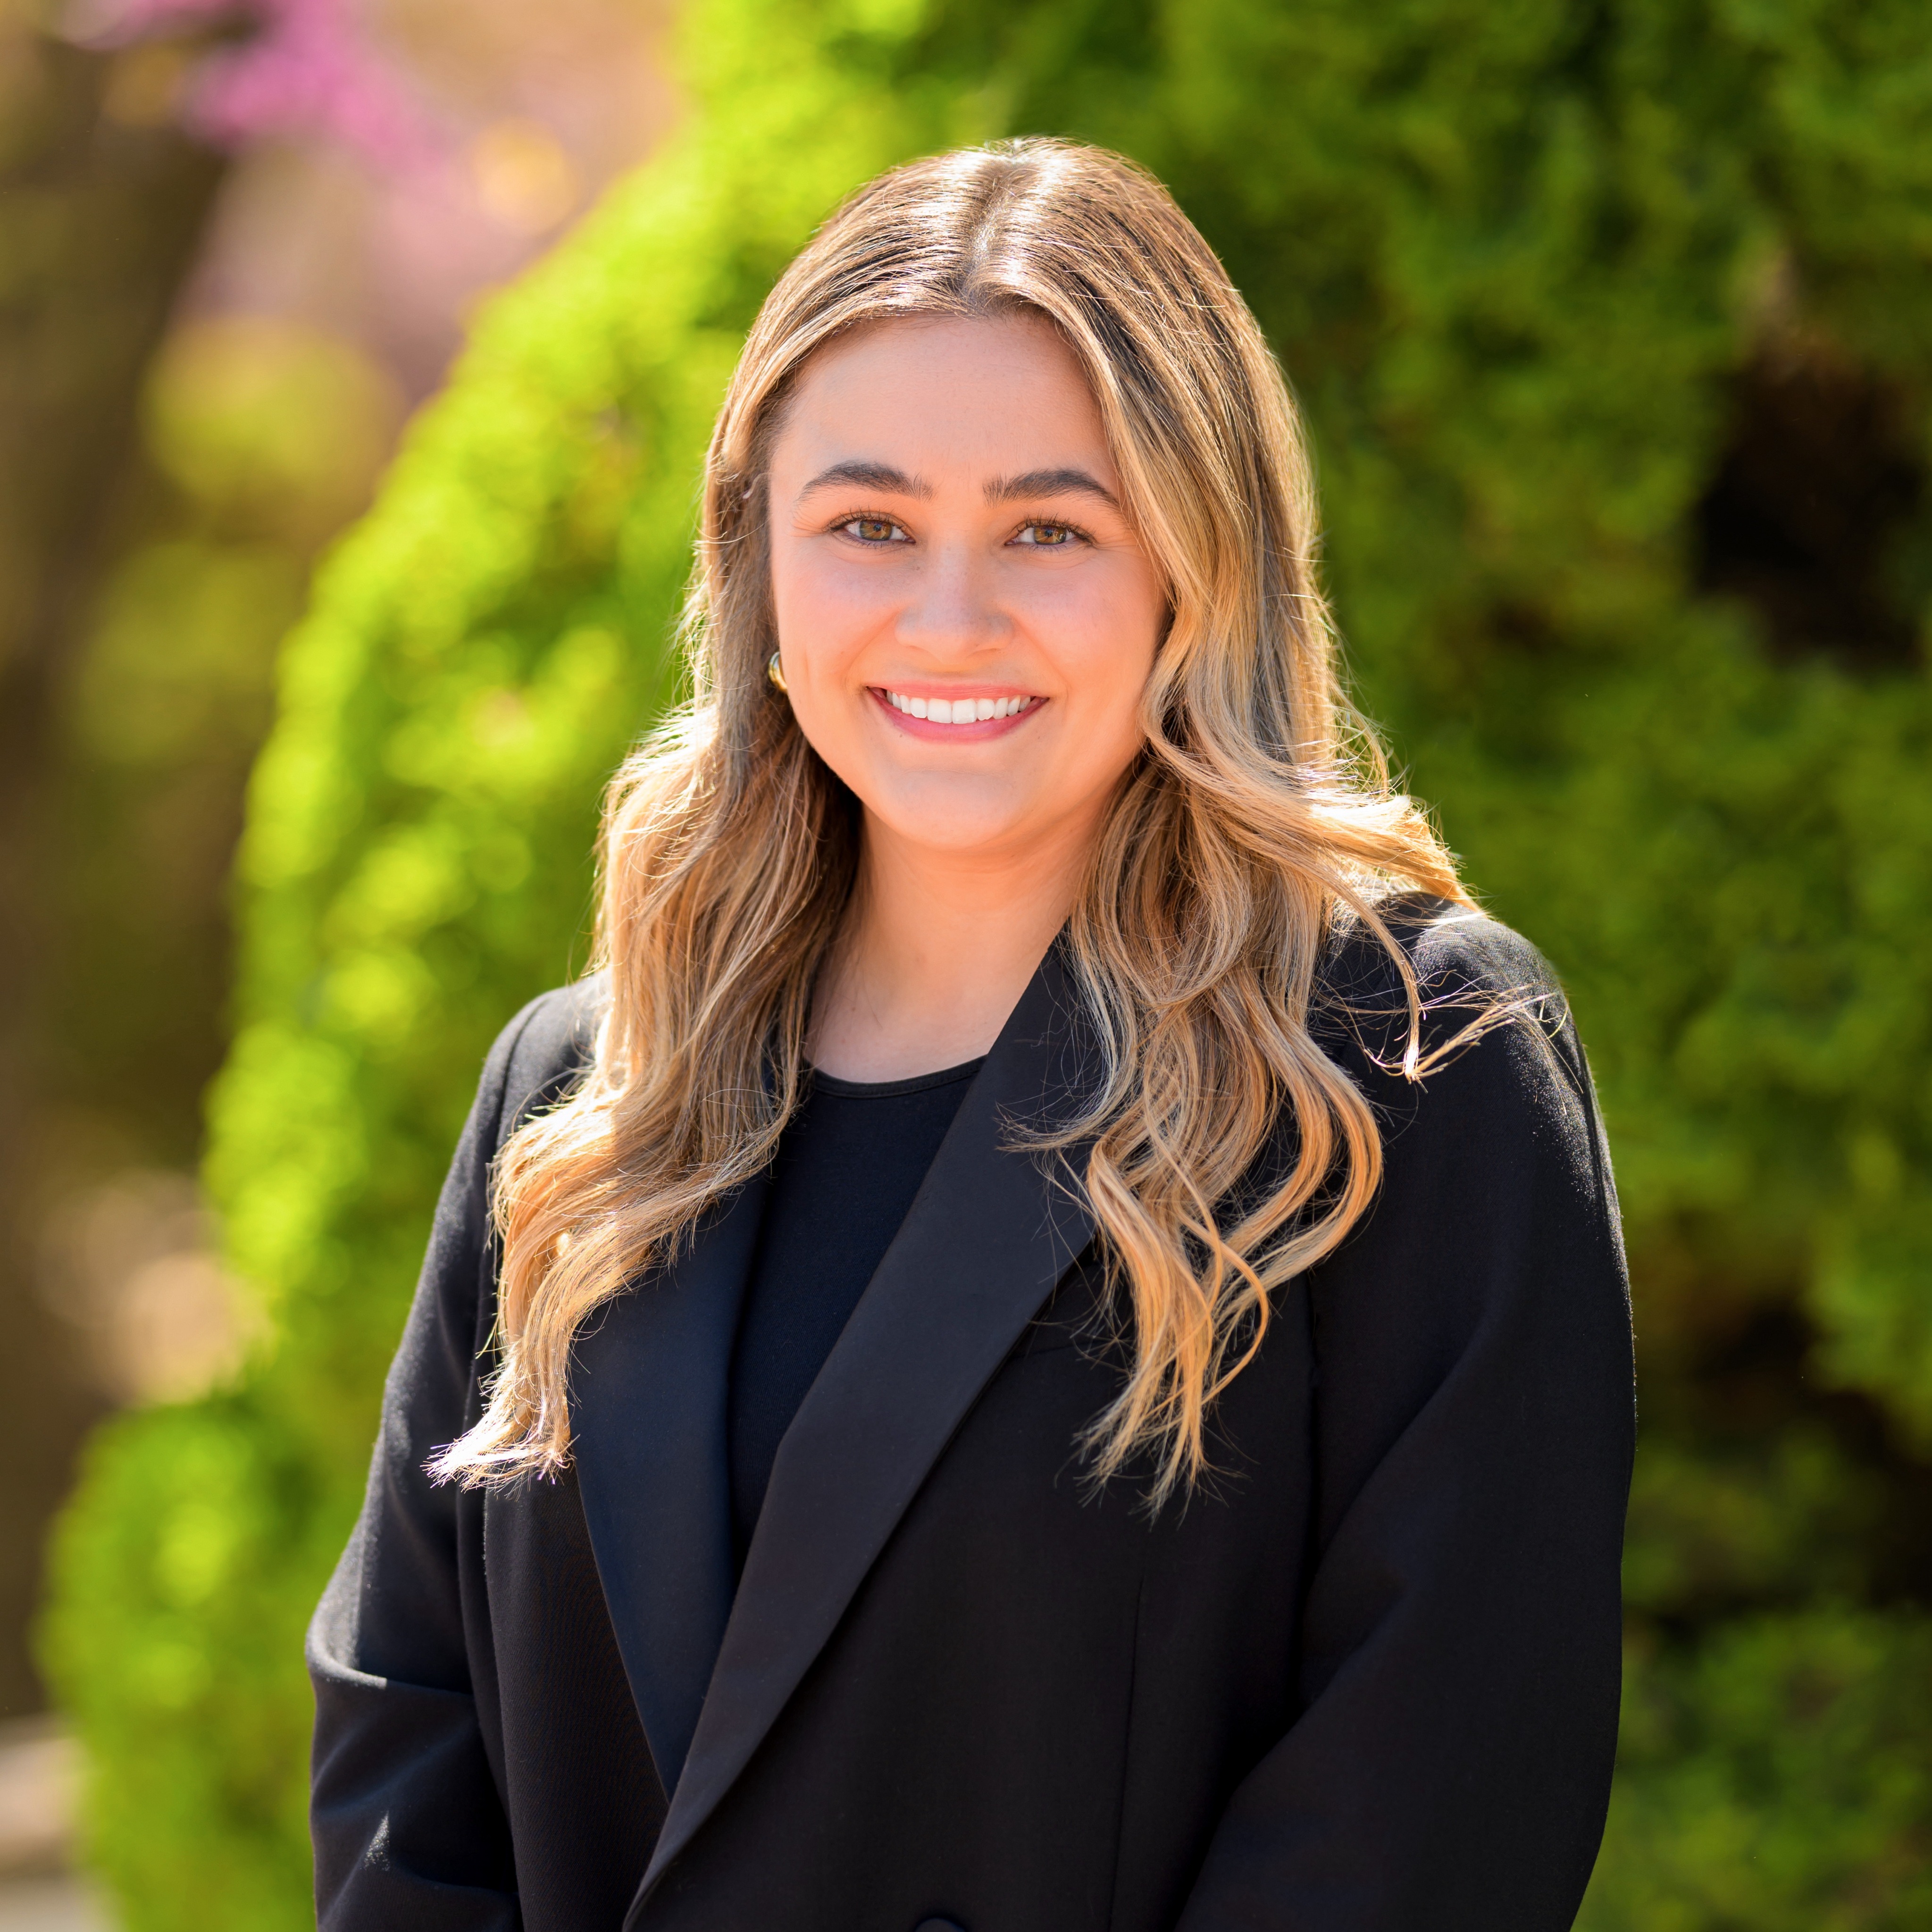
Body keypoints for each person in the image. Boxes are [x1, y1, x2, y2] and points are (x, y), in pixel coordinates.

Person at [308, 139, 1633, 1932]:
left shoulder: (1407, 1063)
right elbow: (406, 1742)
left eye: (1049, 528)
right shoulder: (582, 1094)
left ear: (1196, 568)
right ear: (757, 575)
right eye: (866, 525)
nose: (949, 615)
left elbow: (1430, 1813)